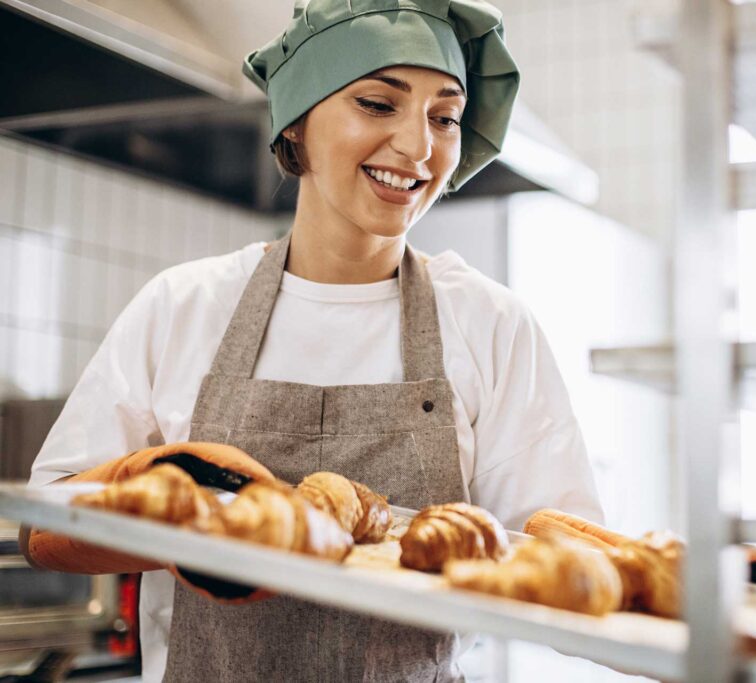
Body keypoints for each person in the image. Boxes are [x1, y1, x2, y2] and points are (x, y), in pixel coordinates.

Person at [23, 2, 602, 681]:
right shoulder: (185, 306)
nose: (419, 147)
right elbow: (44, 529)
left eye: (444, 117)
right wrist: (176, 514)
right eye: (379, 103)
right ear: (297, 118)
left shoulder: (490, 325)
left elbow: (575, 576)